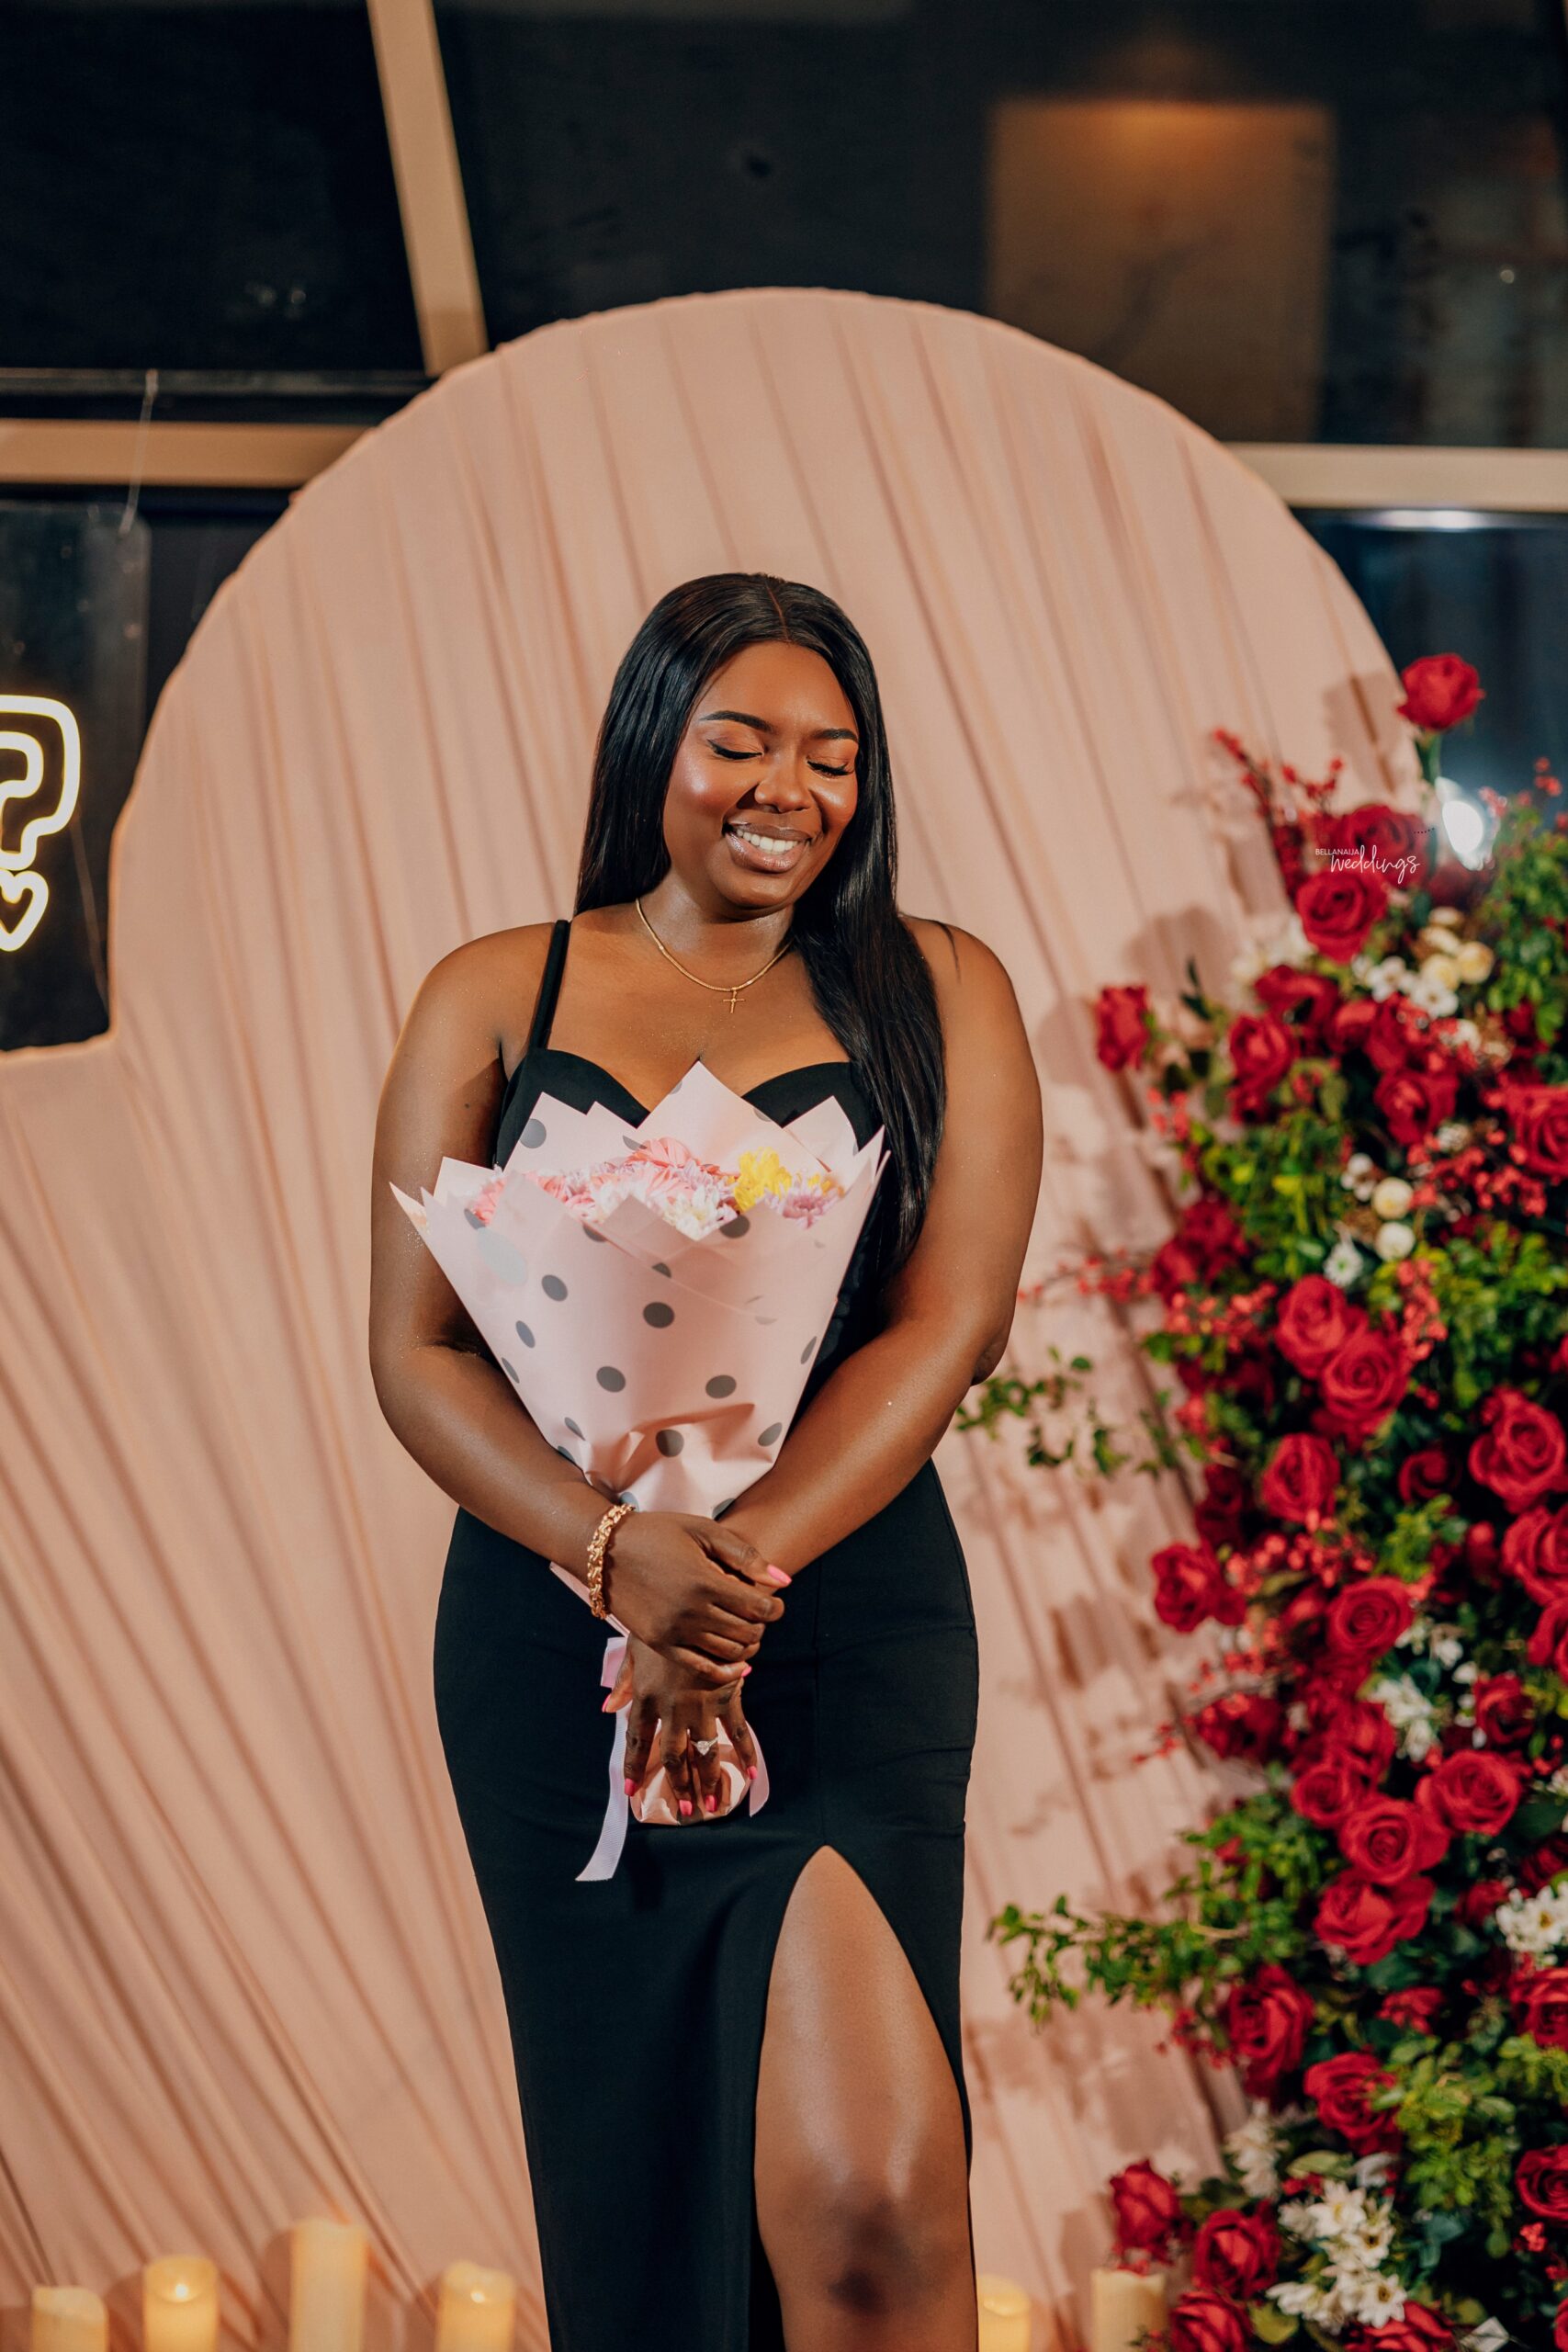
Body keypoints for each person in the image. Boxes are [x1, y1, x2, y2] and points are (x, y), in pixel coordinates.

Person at [368, 572, 1043, 2352]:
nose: (785, 788)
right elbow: (416, 1355)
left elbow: (950, 1324)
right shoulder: (492, 991)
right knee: (644, 2179)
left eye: (832, 755)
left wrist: (722, 1592)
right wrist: (619, 1561)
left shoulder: (939, 987)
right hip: (554, 1640)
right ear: (651, 742)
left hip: (840, 1626)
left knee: (878, 2203)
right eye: (739, 739)